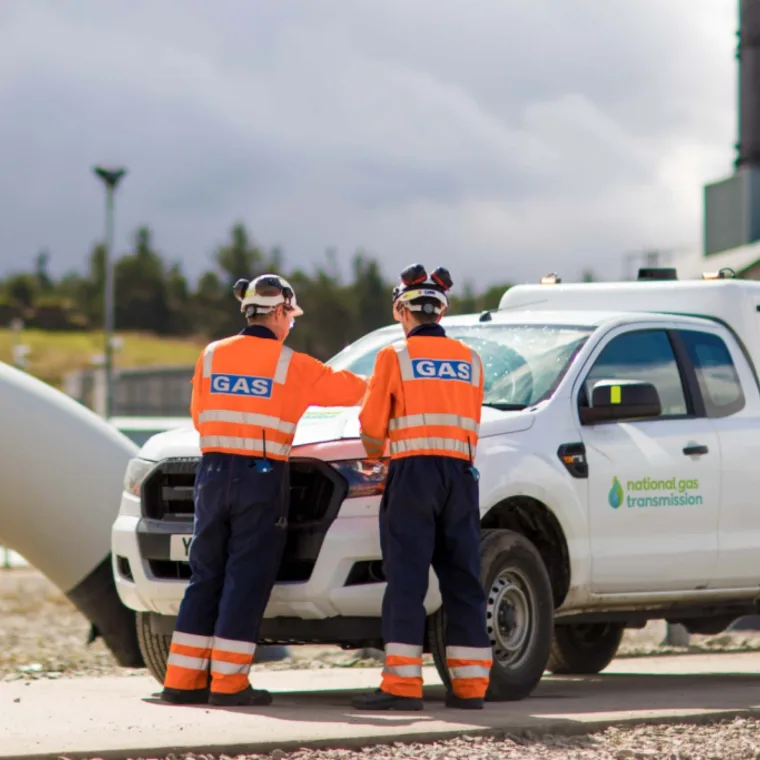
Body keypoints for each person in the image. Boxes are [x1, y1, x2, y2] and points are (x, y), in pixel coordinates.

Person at [160, 274, 367, 707]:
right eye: (290, 317)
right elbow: (354, 391)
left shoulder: (212, 354)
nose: (291, 324)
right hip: (261, 475)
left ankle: (182, 681)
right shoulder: (293, 365)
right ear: (279, 312)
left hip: (212, 472)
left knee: (205, 575)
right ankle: (229, 684)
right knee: (246, 577)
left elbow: (199, 416)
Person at [352, 264, 492, 712]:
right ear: (441, 311)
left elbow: (372, 427)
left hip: (413, 474)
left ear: (402, 310)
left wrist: (376, 455)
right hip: (461, 476)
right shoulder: (471, 359)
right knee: (464, 579)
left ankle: (402, 685)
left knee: (407, 581)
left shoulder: (394, 356)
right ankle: (471, 687)